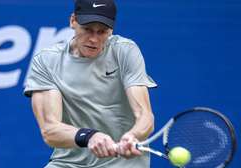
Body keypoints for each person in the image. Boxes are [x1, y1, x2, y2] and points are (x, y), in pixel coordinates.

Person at [24, 0, 157, 167]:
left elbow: (145, 116)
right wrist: (89, 136)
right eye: (87, 29)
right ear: (73, 21)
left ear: (111, 30)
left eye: (102, 32)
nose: (94, 39)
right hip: (68, 163)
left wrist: (133, 135)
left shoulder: (125, 51)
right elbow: (50, 130)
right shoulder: (47, 61)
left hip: (122, 163)